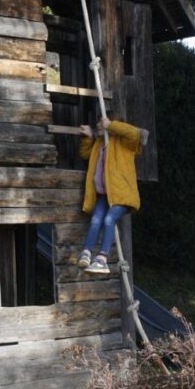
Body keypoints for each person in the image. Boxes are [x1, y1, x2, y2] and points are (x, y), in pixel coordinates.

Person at [77, 117, 149, 274]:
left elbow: (135, 134)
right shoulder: (99, 145)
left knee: (109, 219)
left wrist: (112, 125)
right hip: (104, 195)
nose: (98, 125)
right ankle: (87, 253)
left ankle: (102, 258)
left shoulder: (124, 144)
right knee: (96, 220)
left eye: (102, 123)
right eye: (98, 123)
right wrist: (89, 137)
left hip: (122, 195)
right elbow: (84, 154)